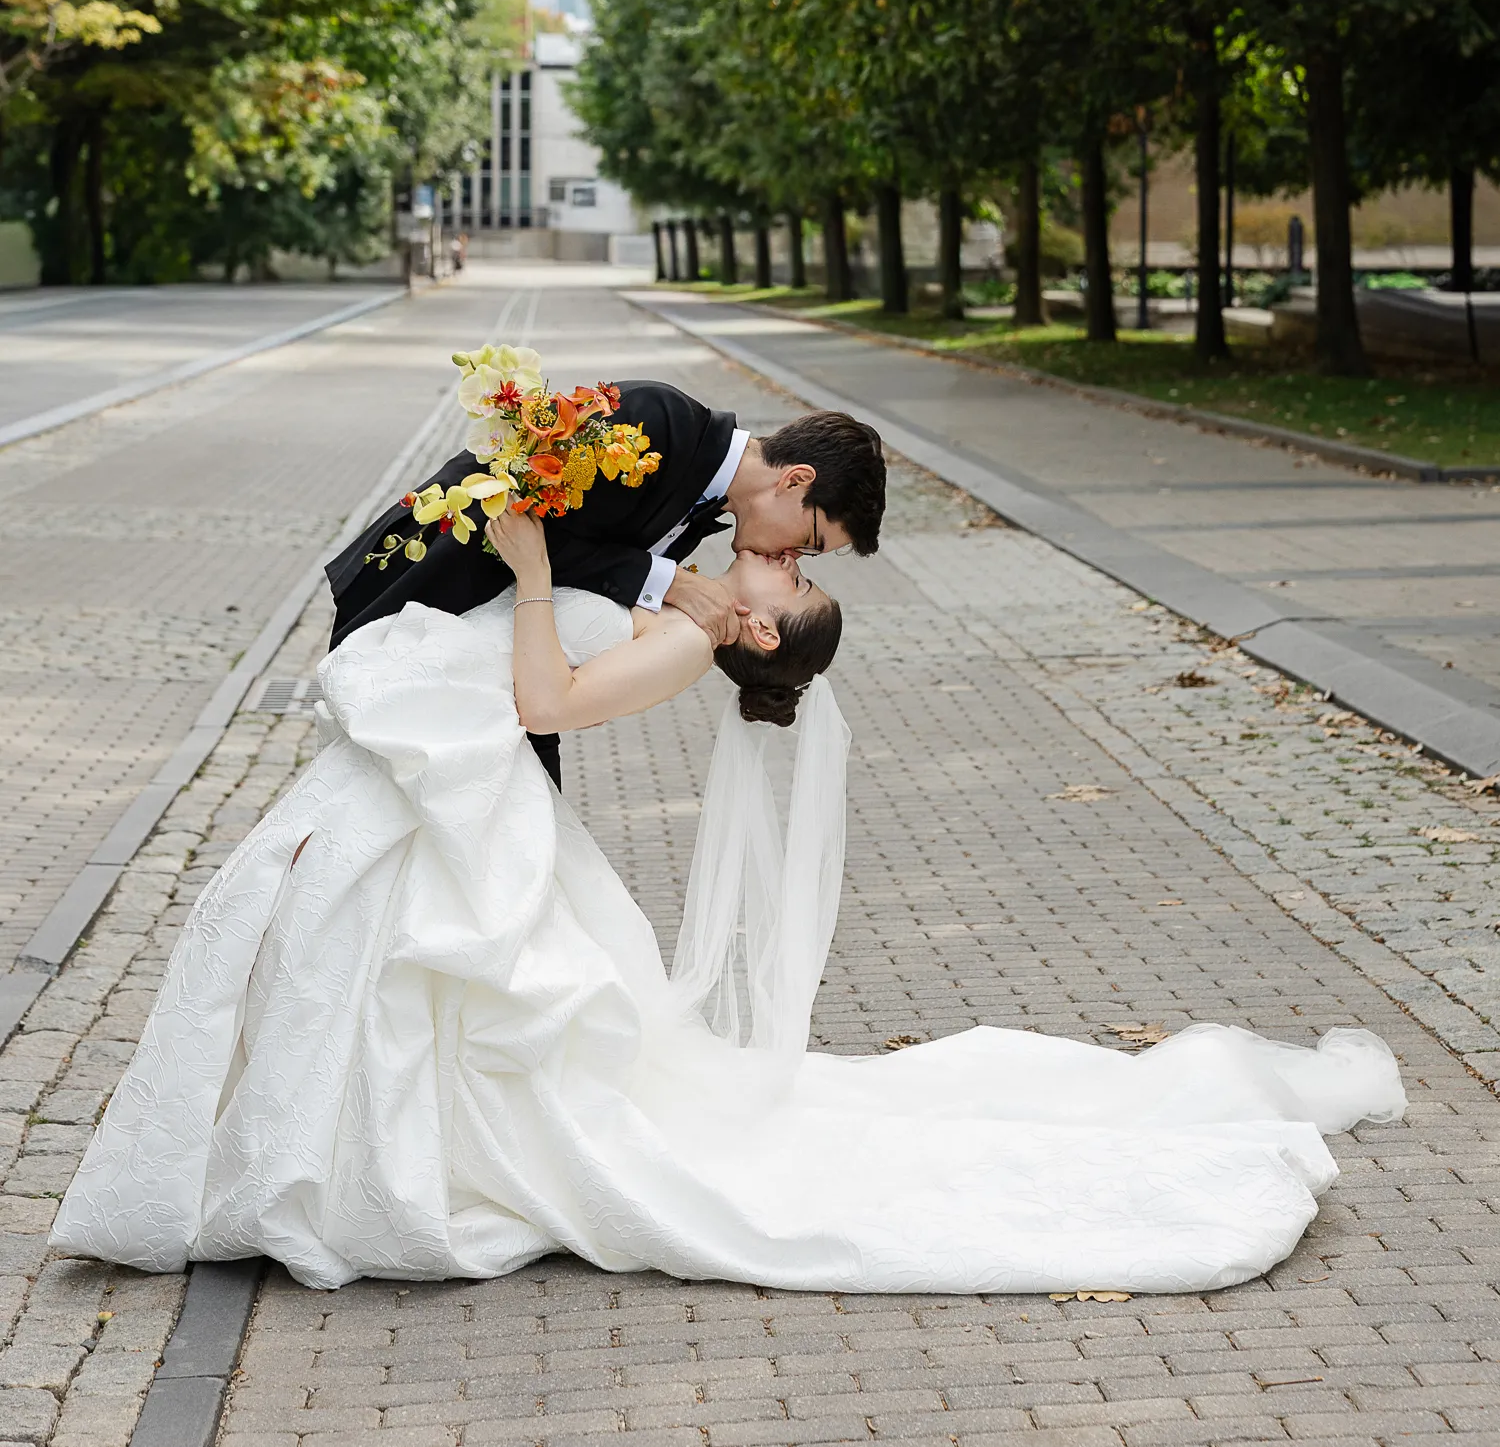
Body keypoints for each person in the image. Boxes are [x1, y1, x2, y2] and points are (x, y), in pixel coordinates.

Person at [52, 508, 1403, 1297]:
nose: (780, 561)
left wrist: (531, 573)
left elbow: (541, 703)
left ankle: (328, 1169)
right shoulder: (677, 606)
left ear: (760, 633)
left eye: (791, 581)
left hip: (455, 792)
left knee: (433, 1012)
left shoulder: (687, 642)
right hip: (426, 789)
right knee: (356, 986)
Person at [325, 385, 886, 790]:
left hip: (477, 676)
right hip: (421, 586)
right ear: (795, 481)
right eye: (809, 542)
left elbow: (573, 587)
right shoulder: (658, 422)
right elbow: (529, 528)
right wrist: (664, 582)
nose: (792, 556)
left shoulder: (700, 511)